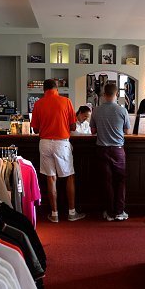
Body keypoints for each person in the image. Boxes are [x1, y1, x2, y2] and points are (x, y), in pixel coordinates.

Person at [31, 79, 86, 223]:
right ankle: (71, 213)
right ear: (57, 89)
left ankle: (54, 214)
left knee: (51, 178)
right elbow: (73, 127)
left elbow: (35, 129)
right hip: (62, 143)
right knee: (69, 177)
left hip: (44, 143)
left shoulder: (38, 103)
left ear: (44, 90)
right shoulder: (66, 101)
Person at [89, 83, 132, 221]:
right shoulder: (122, 110)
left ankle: (109, 213)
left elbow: (93, 131)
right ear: (116, 94)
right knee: (120, 181)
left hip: (102, 150)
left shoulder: (95, 110)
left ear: (103, 95)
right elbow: (127, 131)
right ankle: (120, 212)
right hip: (118, 150)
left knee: (106, 182)